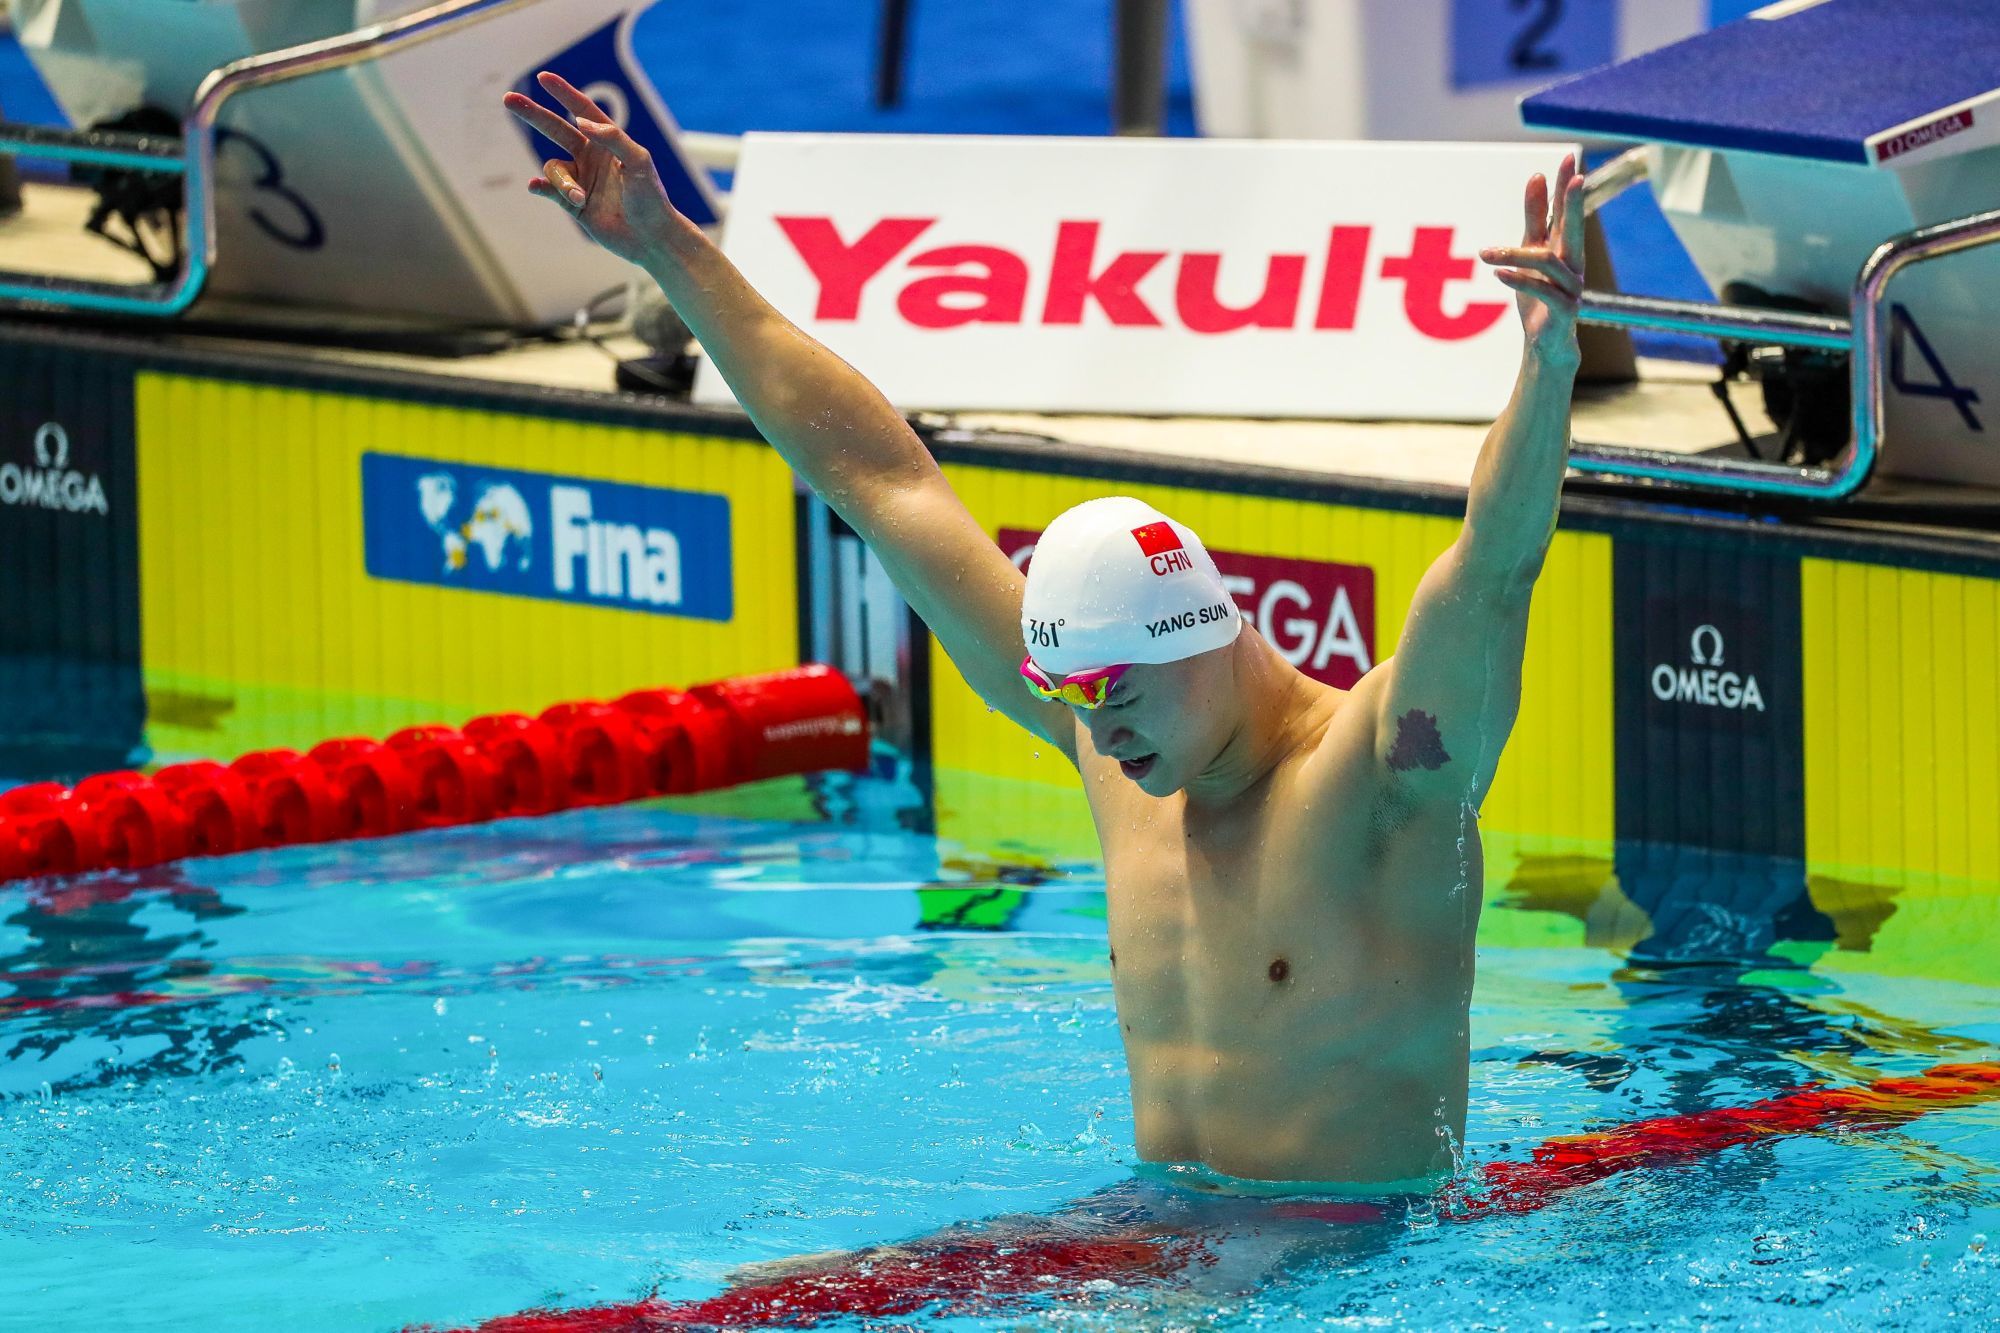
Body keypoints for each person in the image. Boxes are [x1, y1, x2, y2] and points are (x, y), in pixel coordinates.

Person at [504, 72, 1584, 1191]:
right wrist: (672, 251)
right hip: (1161, 1248)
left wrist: (1544, 369)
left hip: (1364, 1269)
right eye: (1065, 693)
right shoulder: (1104, 727)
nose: (1097, 737)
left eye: (1112, 692)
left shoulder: (1383, 775)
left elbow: (1491, 571)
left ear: (1201, 636)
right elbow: (879, 477)